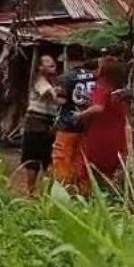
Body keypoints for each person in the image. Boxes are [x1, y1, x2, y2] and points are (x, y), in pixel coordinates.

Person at [76, 56, 131, 187]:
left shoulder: (101, 87)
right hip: (117, 133)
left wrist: (81, 114)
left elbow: (99, 107)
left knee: (89, 169)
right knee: (109, 171)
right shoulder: (120, 92)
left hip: (99, 133)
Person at [50, 57, 100, 191]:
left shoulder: (66, 77)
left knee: (62, 159)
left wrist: (53, 94)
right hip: (87, 124)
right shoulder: (95, 76)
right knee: (82, 160)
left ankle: (63, 190)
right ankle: (82, 192)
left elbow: (61, 101)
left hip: (68, 124)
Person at [16, 54, 60, 195]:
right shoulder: (39, 81)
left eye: (52, 61)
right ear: (40, 67)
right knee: (33, 159)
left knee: (48, 158)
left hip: (49, 124)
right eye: (47, 62)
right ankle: (31, 190)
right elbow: (48, 93)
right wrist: (58, 94)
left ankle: (43, 191)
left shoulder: (54, 82)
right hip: (35, 123)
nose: (52, 63)